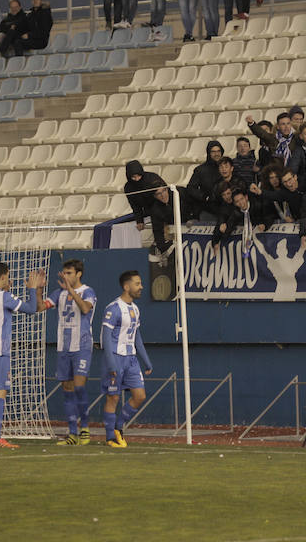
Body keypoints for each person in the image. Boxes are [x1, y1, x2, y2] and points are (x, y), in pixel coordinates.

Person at [0, 262, 45, 448]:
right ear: (5, 276)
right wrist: (31, 289)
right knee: (0, 393)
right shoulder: (4, 296)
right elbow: (32, 309)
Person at [40, 259, 97, 446]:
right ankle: (72, 433)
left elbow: (85, 308)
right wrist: (39, 288)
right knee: (67, 389)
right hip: (64, 346)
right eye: (64, 272)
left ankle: (85, 429)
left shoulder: (88, 291)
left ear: (79, 274)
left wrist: (71, 290)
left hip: (82, 346)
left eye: (69, 273)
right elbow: (40, 307)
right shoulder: (59, 294)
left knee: (79, 387)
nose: (65, 276)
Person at [101, 271, 153, 448]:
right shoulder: (113, 308)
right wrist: (111, 363)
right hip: (116, 357)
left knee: (140, 396)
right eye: (137, 284)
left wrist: (146, 361)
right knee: (113, 398)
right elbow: (105, 338)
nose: (141, 287)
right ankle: (109, 438)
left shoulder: (136, 309)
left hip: (131, 360)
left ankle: (118, 426)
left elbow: (137, 337)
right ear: (126, 286)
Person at [212, 186, 270, 251]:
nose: (241, 203)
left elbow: (270, 216)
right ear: (234, 203)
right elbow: (228, 229)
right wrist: (220, 233)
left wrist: (265, 225)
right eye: (237, 201)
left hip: (264, 239)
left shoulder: (257, 205)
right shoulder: (236, 213)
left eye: (242, 199)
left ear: (246, 197)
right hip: (248, 245)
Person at [149, 182, 197, 251]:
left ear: (167, 189)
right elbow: (157, 230)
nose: (163, 195)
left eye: (164, 191)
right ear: (155, 196)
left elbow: (195, 203)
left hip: (192, 222)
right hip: (178, 231)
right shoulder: (155, 209)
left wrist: (195, 217)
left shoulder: (180, 193)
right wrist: (163, 248)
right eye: (159, 194)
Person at [187, 140, 225, 220]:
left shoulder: (226, 167)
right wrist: (204, 197)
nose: (216, 154)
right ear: (209, 153)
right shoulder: (200, 170)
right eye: (213, 152)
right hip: (208, 209)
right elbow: (191, 188)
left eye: (218, 151)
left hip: (225, 207)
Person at [124, 160, 163, 232]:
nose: (136, 179)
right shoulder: (128, 187)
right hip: (147, 210)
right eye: (133, 177)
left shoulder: (152, 178)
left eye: (138, 176)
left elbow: (164, 194)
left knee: (156, 213)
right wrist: (139, 221)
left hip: (161, 206)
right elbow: (135, 206)